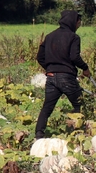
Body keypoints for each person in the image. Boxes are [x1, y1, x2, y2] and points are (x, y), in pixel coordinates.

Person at [34, 10, 91, 139]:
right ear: (73, 22)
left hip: (51, 77)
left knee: (47, 107)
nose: (79, 24)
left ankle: (39, 134)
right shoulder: (73, 37)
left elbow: (40, 57)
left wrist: (50, 68)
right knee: (79, 105)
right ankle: (79, 133)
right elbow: (74, 57)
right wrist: (85, 68)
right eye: (78, 22)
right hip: (67, 77)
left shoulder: (49, 36)